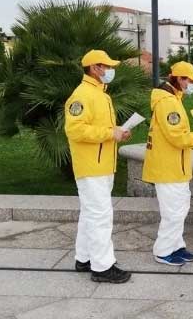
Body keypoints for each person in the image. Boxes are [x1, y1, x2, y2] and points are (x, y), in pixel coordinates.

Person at [64, 49, 131, 284]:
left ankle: (83, 259)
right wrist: (110, 133)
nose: (110, 70)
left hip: (100, 164)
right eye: (107, 66)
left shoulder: (100, 93)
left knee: (91, 214)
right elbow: (75, 129)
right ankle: (102, 267)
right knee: (101, 216)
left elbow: (99, 128)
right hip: (92, 166)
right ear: (95, 68)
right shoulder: (82, 94)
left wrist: (117, 132)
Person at [142, 61, 193, 266]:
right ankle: (163, 251)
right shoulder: (167, 102)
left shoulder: (174, 99)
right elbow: (177, 137)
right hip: (168, 168)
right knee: (173, 212)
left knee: (180, 209)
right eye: (188, 79)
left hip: (176, 166)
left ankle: (176, 245)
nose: (191, 83)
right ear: (177, 79)